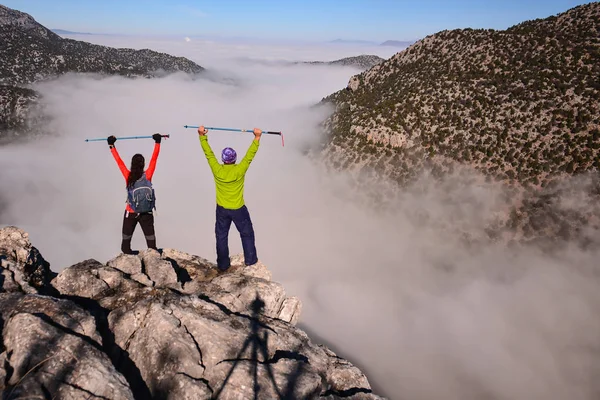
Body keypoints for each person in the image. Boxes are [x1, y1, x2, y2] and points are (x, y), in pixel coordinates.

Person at [198, 125, 261, 271]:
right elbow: (249, 156)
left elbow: (209, 154)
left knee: (221, 236)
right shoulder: (240, 169)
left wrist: (202, 136)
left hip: (222, 209)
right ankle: (250, 261)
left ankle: (223, 264)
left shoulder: (217, 170)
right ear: (234, 159)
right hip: (238, 208)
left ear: (223, 159)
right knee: (246, 233)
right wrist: (257, 138)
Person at [108, 133, 162, 254]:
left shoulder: (128, 176)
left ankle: (130, 263)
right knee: (152, 245)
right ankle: (152, 259)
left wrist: (111, 145)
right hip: (146, 213)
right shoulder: (148, 175)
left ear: (132, 164)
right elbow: (154, 158)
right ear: (143, 164)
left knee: (125, 245)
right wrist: (157, 142)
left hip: (131, 212)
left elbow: (119, 162)